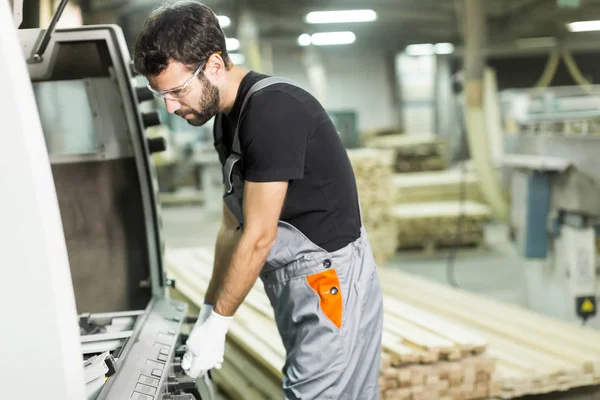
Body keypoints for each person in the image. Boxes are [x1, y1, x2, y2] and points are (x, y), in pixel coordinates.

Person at [133, 1, 383, 398]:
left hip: (327, 280)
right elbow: (232, 226)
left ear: (214, 65)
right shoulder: (227, 121)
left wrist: (220, 325)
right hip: (294, 278)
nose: (170, 106)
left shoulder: (273, 111)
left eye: (178, 91)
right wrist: (208, 309)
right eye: (160, 94)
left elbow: (260, 235)